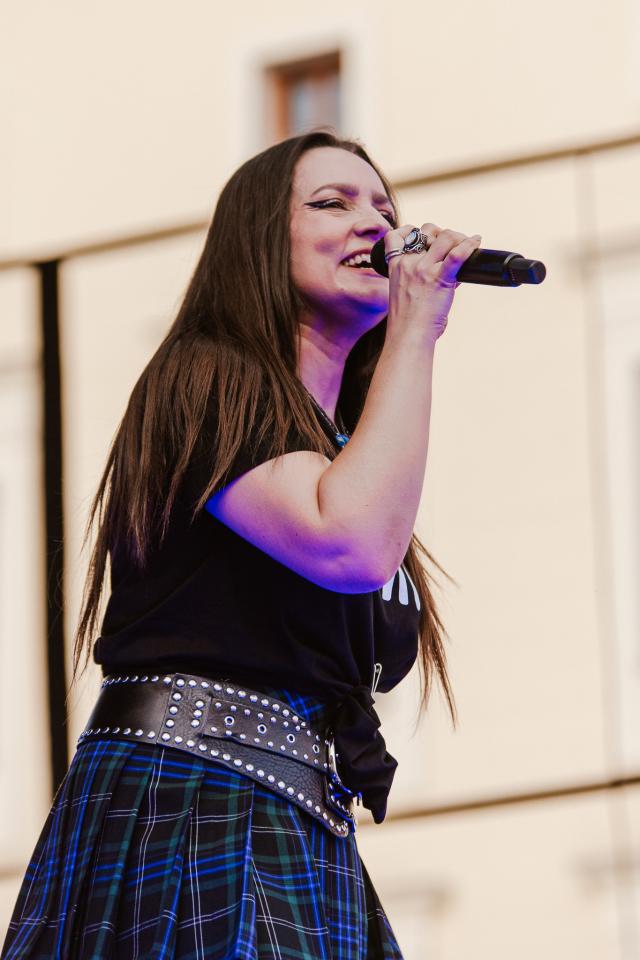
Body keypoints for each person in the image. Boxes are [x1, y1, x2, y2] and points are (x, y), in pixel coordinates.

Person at [1, 130, 481, 960]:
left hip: (299, 815)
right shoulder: (205, 377)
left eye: (384, 208)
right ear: (258, 240)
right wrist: (415, 334)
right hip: (196, 793)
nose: (375, 225)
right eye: (332, 203)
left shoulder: (345, 447)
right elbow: (349, 544)